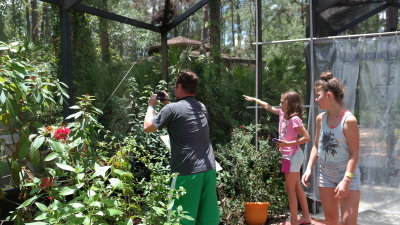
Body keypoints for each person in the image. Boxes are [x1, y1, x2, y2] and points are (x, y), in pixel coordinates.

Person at [143, 70, 220, 225]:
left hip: (187, 172)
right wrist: (167, 103)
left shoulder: (171, 110)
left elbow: (147, 127)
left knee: (180, 220)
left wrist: (151, 106)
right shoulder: (201, 107)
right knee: (207, 221)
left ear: (179, 86)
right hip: (208, 170)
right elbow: (182, 114)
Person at [243, 91, 312, 225]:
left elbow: (307, 137)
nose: (280, 104)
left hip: (293, 156)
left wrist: (287, 143)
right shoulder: (282, 113)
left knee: (290, 189)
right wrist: (254, 99)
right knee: (296, 188)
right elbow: (268, 106)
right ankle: (306, 217)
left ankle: (293, 221)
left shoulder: (295, 119)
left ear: (290, 103)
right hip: (288, 156)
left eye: (282, 102)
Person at [301, 71, 361, 225]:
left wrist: (346, 181)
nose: (316, 99)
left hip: (347, 175)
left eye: (318, 95)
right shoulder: (320, 119)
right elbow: (316, 146)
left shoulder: (349, 121)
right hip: (325, 174)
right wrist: (308, 168)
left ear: (328, 95)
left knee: (349, 221)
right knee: (331, 221)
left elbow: (354, 155)